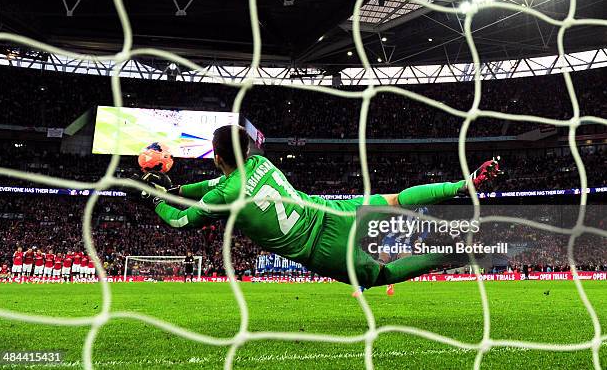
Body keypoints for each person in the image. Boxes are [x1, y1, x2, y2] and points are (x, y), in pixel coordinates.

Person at [132, 125, 501, 290]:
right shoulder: (261, 164)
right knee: (394, 199)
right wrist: (177, 187)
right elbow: (210, 185)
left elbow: (181, 219)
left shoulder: (225, 194)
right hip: (330, 210)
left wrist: (156, 199)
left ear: (216, 158)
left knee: (381, 276)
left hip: (321, 248)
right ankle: (461, 185)